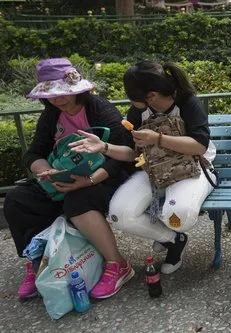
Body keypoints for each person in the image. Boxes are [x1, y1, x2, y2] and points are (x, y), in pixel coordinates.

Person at [3, 58, 134, 300]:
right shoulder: (51, 115)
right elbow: (33, 153)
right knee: (17, 200)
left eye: (63, 92)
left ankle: (117, 264)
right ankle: (37, 261)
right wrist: (45, 171)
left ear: (76, 90)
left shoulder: (99, 109)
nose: (58, 98)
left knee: (78, 200)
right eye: (51, 93)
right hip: (60, 180)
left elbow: (123, 155)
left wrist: (91, 180)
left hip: (103, 178)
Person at [70, 61, 213, 274]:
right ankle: (173, 240)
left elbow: (200, 145)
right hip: (155, 168)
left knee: (178, 215)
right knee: (120, 214)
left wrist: (157, 138)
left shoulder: (187, 103)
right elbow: (132, 153)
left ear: (152, 95)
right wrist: (104, 147)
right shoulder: (139, 112)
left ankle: (170, 231)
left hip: (193, 167)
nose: (131, 102)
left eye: (132, 97)